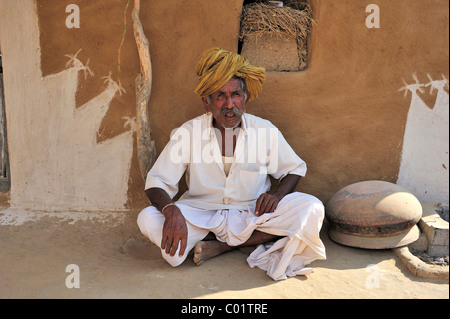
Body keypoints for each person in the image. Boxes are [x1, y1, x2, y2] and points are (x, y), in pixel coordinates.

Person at [137, 47, 326, 280]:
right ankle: (233, 241)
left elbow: (294, 169)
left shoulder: (264, 130)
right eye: (220, 96)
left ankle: (221, 246)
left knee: (311, 207)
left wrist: (276, 196)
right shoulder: (189, 132)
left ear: (245, 98)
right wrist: (171, 210)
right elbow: (157, 181)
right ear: (207, 102)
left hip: (252, 214)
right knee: (148, 218)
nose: (229, 104)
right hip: (202, 214)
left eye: (236, 95)